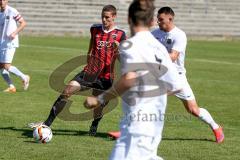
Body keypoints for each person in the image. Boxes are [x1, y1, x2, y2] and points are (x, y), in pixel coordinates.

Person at [84, 0, 182, 159]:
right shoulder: (160, 48)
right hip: (155, 125)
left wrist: (99, 99)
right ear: (151, 21)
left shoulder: (131, 45)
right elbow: (177, 86)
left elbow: (129, 79)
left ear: (129, 18)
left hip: (136, 127)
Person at [28, 5, 126, 136]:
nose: (104, 19)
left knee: (98, 105)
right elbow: (91, 46)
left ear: (114, 17)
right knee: (66, 91)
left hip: (106, 77)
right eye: (102, 16)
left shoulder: (120, 34)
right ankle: (47, 123)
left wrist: (118, 49)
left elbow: (124, 58)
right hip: (89, 72)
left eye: (107, 17)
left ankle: (94, 125)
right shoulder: (95, 29)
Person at [151, 6, 224, 143]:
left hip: (176, 77)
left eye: (161, 20)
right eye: (157, 19)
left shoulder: (179, 35)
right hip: (159, 75)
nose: (158, 22)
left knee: (193, 110)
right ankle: (130, 132)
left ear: (170, 19)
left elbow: (172, 56)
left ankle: (216, 127)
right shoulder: (155, 33)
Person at [0, 0, 30, 93]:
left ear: (7, 1)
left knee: (7, 66)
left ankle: (24, 77)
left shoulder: (12, 11)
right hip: (2, 43)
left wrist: (14, 32)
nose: (1, 1)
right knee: (1, 66)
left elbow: (23, 23)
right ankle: (11, 87)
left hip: (10, 43)